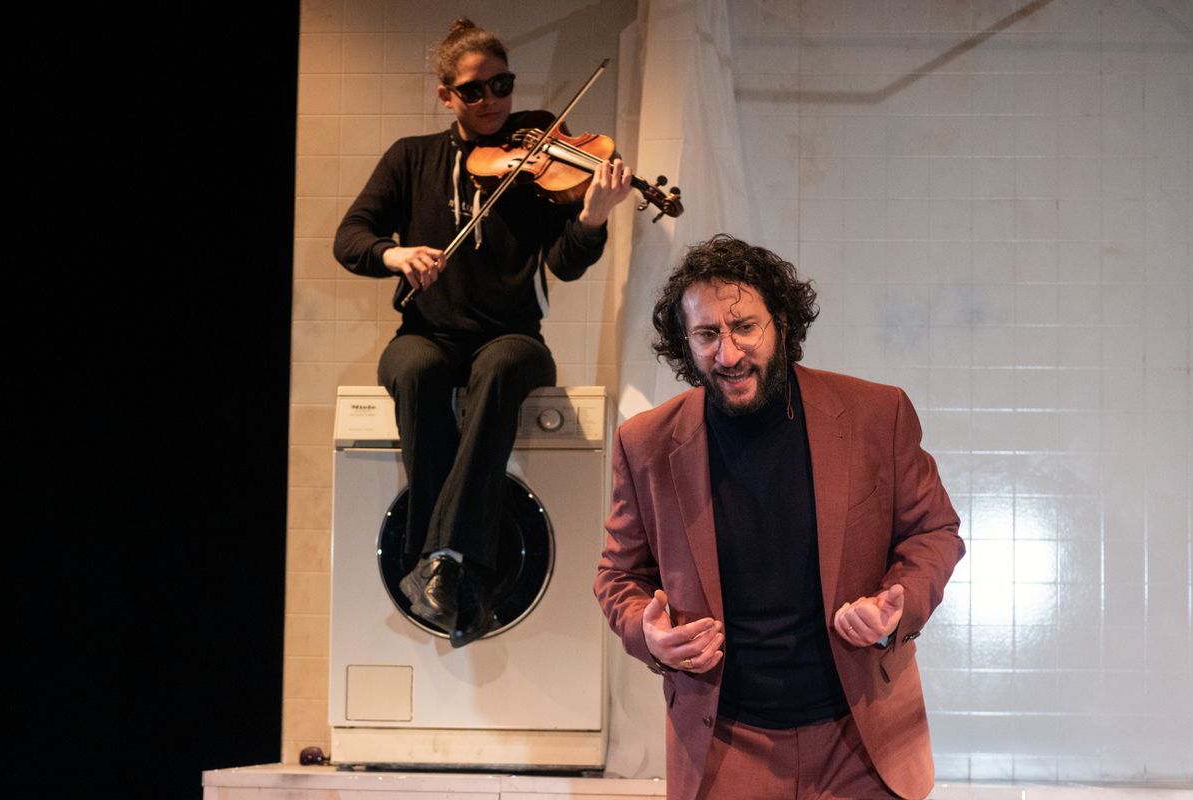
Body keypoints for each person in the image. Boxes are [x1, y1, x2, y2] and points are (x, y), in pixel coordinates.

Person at [595, 235, 965, 800]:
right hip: (724, 744)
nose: (727, 354)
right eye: (706, 334)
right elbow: (619, 575)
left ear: (782, 324)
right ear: (685, 343)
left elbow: (933, 531)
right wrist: (648, 634)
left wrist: (896, 605)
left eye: (745, 327)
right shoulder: (644, 443)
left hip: (862, 737)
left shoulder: (876, 413)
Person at [334, 18, 633, 648]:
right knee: (414, 369)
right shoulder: (411, 157)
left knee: (500, 367)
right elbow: (351, 238)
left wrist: (592, 217)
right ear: (446, 95)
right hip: (427, 333)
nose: (493, 99)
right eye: (474, 90)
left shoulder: (538, 159)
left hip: (513, 338)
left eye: (502, 84)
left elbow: (564, 264)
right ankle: (460, 573)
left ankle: (436, 557)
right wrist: (395, 254)